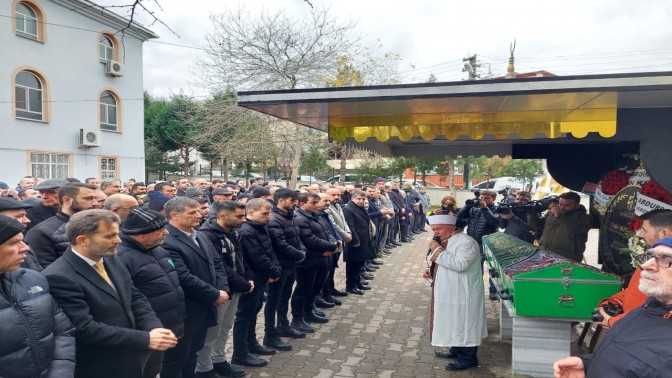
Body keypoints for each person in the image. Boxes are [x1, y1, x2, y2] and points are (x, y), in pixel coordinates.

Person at [43, 209, 178, 378]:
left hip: (133, 356)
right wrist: (144, 338)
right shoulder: (59, 277)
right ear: (83, 240)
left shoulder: (110, 258)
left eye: (117, 233)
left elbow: (135, 297)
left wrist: (154, 327)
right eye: (109, 236)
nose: (119, 240)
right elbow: (84, 328)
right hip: (101, 365)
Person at [553, 237, 672, 378]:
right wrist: (588, 365)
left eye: (666, 260)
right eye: (651, 256)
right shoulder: (651, 306)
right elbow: (630, 359)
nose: (646, 265)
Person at [0, 215, 75, 378]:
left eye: (22, 240)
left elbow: (62, 331)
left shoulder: (33, 279)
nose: (25, 248)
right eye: (13, 243)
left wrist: (60, 374)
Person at [162, 197, 230, 378]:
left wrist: (223, 289)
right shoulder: (167, 240)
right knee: (177, 358)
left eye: (199, 211)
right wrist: (214, 294)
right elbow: (182, 276)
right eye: (193, 212)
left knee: (194, 351)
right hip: (186, 309)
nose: (199, 215)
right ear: (174, 215)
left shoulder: (199, 234)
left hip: (204, 307)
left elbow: (217, 263)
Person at [117, 208, 186, 378]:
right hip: (146, 332)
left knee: (160, 368)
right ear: (141, 234)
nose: (166, 232)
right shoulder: (120, 257)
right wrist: (149, 329)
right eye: (160, 230)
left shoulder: (158, 249)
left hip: (167, 325)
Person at [423, 213, 487, 371]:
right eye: (433, 229)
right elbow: (442, 260)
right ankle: (456, 350)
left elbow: (460, 264)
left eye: (438, 229)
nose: (435, 232)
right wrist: (430, 269)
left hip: (464, 292)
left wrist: (437, 250)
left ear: (451, 228)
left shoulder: (466, 242)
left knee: (465, 322)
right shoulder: (447, 240)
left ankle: (468, 358)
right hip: (451, 290)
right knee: (454, 320)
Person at [198, 201, 251, 378]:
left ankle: (219, 360)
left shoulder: (232, 232)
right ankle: (204, 368)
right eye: (239, 216)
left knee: (225, 327)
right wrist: (241, 283)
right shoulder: (207, 235)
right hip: (221, 290)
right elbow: (220, 266)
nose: (243, 219)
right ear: (222, 216)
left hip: (234, 288)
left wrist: (245, 279)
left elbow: (239, 259)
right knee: (211, 332)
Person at [594, 209, 672, 328]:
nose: (640, 234)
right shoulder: (650, 258)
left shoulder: (666, 271)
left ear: (664, 233)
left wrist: (614, 321)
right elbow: (633, 289)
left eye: (645, 230)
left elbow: (655, 313)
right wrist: (612, 302)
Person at [232, 198, 282, 367]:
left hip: (262, 278)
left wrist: (275, 270)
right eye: (265, 213)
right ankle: (240, 352)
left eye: (269, 213)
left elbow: (270, 251)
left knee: (254, 312)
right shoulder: (247, 231)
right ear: (250, 213)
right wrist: (273, 271)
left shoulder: (261, 227)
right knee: (244, 315)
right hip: (253, 279)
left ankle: (251, 343)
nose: (268, 216)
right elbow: (257, 257)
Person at [291, 192, 339, 333]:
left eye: (317, 202)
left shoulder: (315, 216)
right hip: (309, 261)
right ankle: (298, 319)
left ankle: (309, 311)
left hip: (322, 259)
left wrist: (333, 244)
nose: (316, 205)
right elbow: (310, 239)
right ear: (302, 204)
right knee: (303, 290)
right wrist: (331, 247)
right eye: (313, 202)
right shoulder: (299, 218)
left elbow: (328, 233)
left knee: (316, 287)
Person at [267, 189, 308, 343]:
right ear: (281, 201)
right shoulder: (274, 219)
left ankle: (283, 325)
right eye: (292, 201)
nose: (295, 203)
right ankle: (270, 333)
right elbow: (280, 244)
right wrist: (299, 255)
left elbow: (298, 239)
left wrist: (302, 251)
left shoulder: (291, 217)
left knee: (285, 296)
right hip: (280, 265)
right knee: (274, 300)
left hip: (291, 264)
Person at [25, 183, 98, 267]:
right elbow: (46, 271)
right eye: (88, 198)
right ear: (67, 200)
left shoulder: (98, 224)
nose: (95, 203)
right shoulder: (40, 233)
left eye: (95, 198)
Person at [457, 189, 500, 300]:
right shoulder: (474, 209)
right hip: (473, 242)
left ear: (494, 199)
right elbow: (460, 216)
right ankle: (476, 289)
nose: (484, 200)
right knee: (476, 268)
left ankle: (493, 291)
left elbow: (495, 221)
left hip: (489, 242)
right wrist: (468, 206)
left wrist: (484, 208)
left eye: (487, 198)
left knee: (492, 268)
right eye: (482, 197)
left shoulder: (497, 209)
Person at [538, 191, 592, 262]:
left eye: (567, 205)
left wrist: (559, 216)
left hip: (568, 256)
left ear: (577, 205)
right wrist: (533, 212)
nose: (562, 208)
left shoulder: (585, 218)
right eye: (560, 204)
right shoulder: (553, 213)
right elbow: (536, 226)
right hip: (545, 252)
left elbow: (575, 228)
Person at [343, 191, 375, 295]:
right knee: (353, 265)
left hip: (363, 240)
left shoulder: (360, 208)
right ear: (353, 199)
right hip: (355, 242)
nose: (361, 201)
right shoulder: (348, 209)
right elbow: (351, 227)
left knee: (359, 264)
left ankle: (358, 282)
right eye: (359, 199)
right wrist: (355, 241)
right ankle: (350, 286)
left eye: (363, 199)